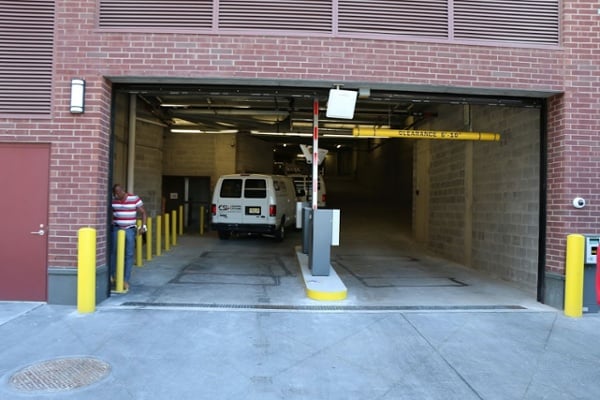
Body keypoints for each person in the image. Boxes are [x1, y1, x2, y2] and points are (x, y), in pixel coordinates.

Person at [110, 184, 147, 291]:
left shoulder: (134, 198)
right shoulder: (113, 200)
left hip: (130, 229)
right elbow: (111, 213)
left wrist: (143, 227)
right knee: (113, 252)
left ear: (123, 191)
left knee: (129, 254)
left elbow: (143, 212)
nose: (118, 195)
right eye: (115, 193)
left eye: (119, 192)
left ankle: (125, 279)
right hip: (117, 228)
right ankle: (111, 276)